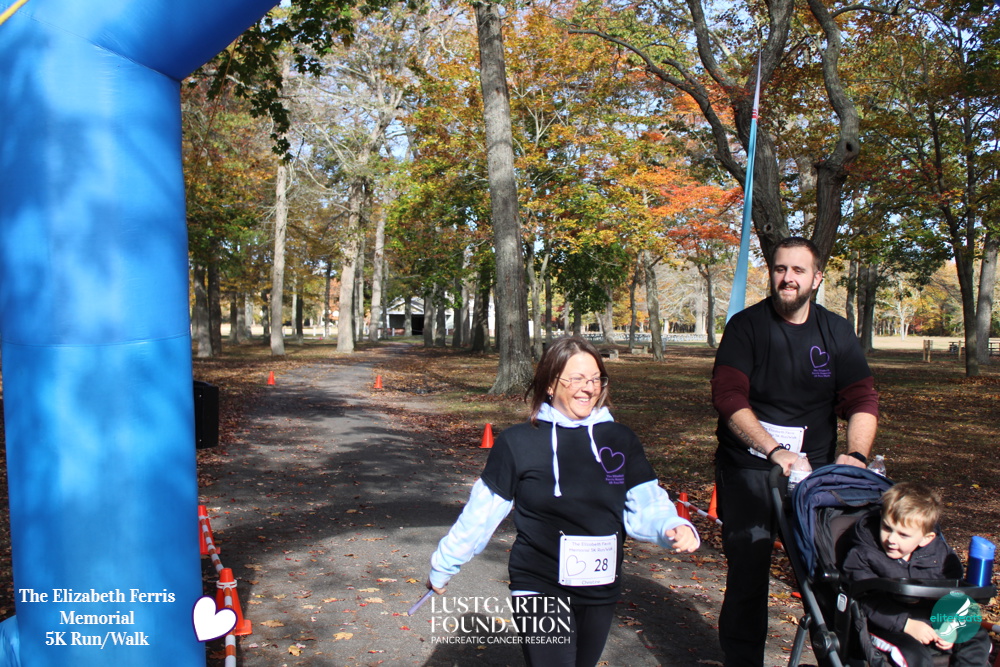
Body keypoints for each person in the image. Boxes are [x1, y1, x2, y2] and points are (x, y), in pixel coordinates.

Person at [426, 336, 700, 667]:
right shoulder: (518, 442)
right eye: (577, 379)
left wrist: (672, 526)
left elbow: (647, 502)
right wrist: (445, 564)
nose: (588, 388)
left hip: (600, 586)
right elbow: (481, 513)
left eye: (596, 378)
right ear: (550, 384)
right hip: (539, 584)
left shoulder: (620, 439)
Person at [711, 236, 880, 666]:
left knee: (828, 575)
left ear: (816, 279)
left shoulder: (836, 331)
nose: (788, 278)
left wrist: (856, 457)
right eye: (780, 269)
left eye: (798, 270)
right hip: (750, 468)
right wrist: (773, 450)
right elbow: (728, 396)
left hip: (813, 473)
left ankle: (841, 659)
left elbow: (862, 399)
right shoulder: (746, 327)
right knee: (748, 573)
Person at [842, 482, 992, 666]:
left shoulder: (941, 556)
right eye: (887, 528)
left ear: (925, 538)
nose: (891, 539)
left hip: (932, 619)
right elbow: (865, 602)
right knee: (913, 655)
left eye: (903, 535)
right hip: (886, 625)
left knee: (977, 637)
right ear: (881, 517)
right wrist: (906, 624)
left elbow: (954, 598)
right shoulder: (862, 555)